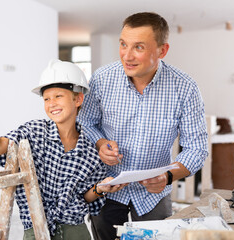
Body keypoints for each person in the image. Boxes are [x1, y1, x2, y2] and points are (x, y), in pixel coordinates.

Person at [0, 59, 127, 240]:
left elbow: (84, 197)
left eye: (58, 96)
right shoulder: (34, 132)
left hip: (76, 232)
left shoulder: (91, 149)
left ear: (78, 99)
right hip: (36, 231)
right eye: (46, 99)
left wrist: (101, 188)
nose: (51, 103)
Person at [77, 12, 209, 240]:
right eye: (123, 44)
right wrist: (100, 143)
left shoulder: (185, 88)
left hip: (154, 195)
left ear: (162, 50)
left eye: (138, 47)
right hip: (107, 187)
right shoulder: (101, 79)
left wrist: (168, 176)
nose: (127, 56)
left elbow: (196, 148)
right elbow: (85, 122)